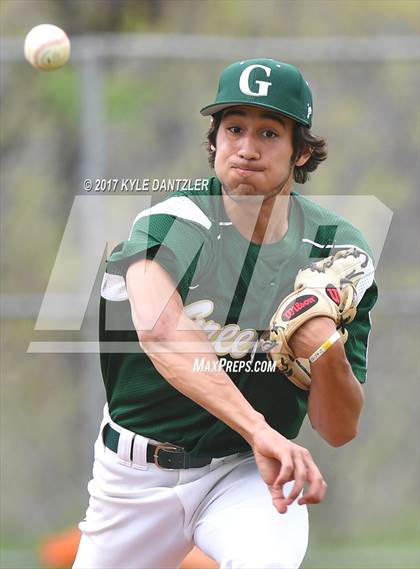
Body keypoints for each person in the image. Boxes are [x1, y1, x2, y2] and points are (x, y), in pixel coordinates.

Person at [73, 58, 377, 569]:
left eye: (269, 132)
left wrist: (325, 349)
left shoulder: (335, 248)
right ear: (214, 140)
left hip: (245, 474)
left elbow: (339, 428)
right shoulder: (175, 219)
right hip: (135, 476)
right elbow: (162, 333)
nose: (247, 147)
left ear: (301, 150)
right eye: (233, 128)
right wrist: (259, 429)